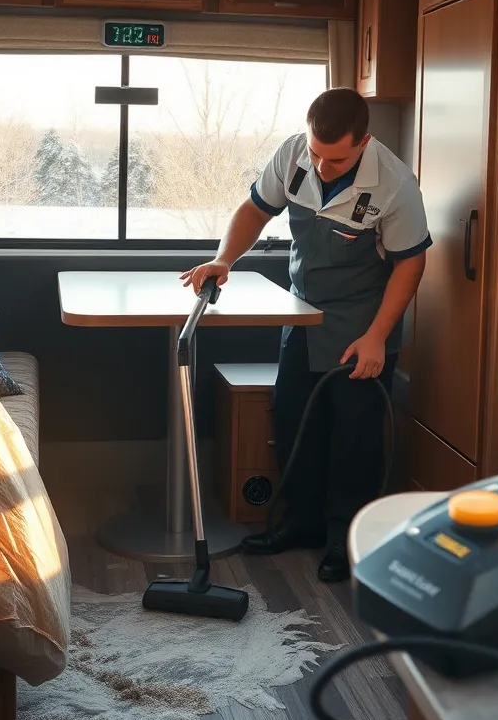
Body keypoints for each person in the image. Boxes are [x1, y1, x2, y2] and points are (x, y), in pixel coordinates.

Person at [181, 87, 430, 582]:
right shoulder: (295, 153)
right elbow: (254, 210)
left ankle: (345, 541)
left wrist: (378, 337)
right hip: (303, 315)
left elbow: (410, 266)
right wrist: (223, 259)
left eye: (334, 160)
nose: (320, 167)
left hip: (363, 326)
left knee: (355, 440)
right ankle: (301, 524)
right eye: (316, 154)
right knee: (295, 420)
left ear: (364, 142)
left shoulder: (396, 185)